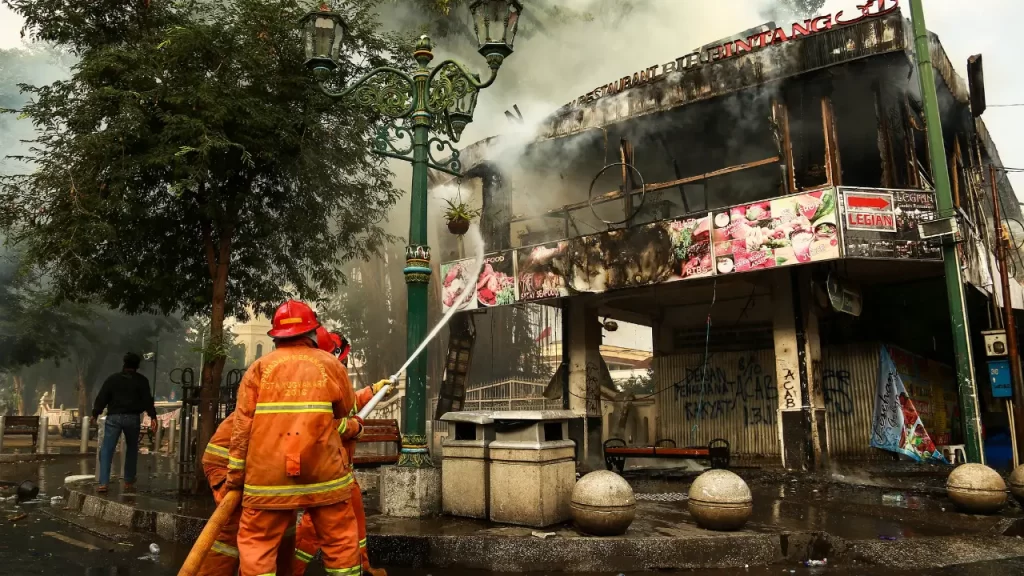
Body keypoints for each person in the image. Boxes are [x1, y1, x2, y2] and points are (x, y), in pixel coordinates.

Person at [228, 300, 363, 576]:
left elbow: (241, 429)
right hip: (324, 474)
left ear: (276, 336)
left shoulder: (258, 368)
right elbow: (345, 413)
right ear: (313, 333)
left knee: (257, 545)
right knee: (340, 541)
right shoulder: (331, 365)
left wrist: (235, 477)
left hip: (267, 478)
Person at [292, 331, 390, 576]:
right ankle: (291, 570)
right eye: (343, 359)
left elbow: (347, 405)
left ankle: (363, 565)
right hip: (325, 468)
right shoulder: (316, 379)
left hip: (342, 469)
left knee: (356, 520)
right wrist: (354, 428)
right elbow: (326, 426)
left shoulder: (327, 375)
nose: (344, 364)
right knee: (313, 527)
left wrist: (372, 391)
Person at [197, 412, 294, 576]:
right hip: (228, 468)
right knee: (235, 532)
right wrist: (236, 482)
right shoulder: (276, 406)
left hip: (254, 473)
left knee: (283, 528)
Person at [93, 352, 157, 493]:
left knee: (107, 449)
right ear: (137, 366)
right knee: (132, 449)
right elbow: (147, 400)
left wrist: (95, 414)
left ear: (124, 364)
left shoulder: (112, 379)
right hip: (132, 418)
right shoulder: (142, 381)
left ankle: (103, 483)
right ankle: (128, 480)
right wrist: (153, 417)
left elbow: (102, 397)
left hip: (114, 418)